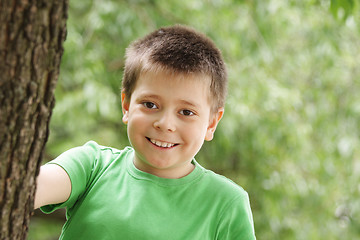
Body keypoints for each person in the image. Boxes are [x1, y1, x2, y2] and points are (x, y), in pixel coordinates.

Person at [34, 25, 256, 239]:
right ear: (127, 106)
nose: (165, 124)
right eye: (150, 105)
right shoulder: (91, 166)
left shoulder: (226, 203)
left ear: (211, 123)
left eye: (186, 112)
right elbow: (29, 187)